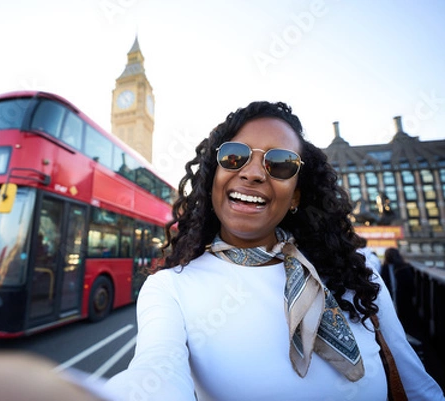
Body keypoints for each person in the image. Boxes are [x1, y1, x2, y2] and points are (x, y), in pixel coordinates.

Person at [105, 102, 443, 400]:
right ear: (213, 179)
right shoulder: (170, 290)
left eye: (279, 163)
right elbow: (155, 378)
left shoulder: (355, 275)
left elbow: (418, 388)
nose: (251, 173)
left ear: (295, 195)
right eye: (234, 156)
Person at [381, 247, 417, 335]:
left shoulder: (385, 267)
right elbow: (410, 284)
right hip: (404, 298)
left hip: (393, 297)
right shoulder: (405, 267)